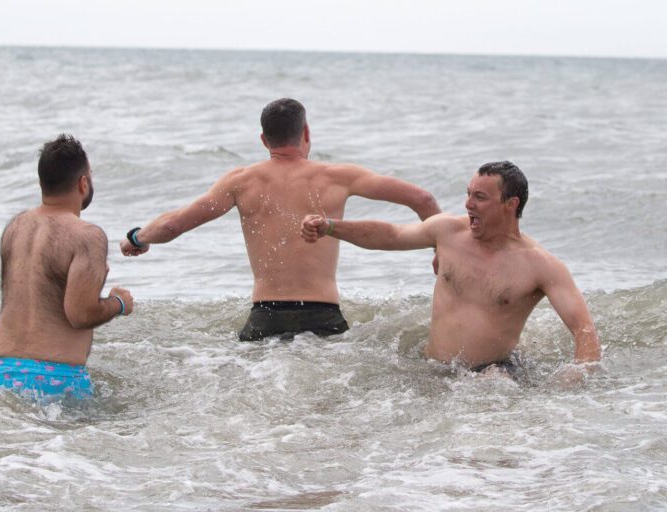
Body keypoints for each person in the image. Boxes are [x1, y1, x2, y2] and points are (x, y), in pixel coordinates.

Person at [120, 98, 440, 341]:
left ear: (263, 140)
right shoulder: (339, 177)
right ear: (306, 133)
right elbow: (422, 199)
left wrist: (136, 238)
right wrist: (445, 251)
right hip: (323, 316)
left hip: (265, 318)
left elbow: (173, 225)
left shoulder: (240, 181)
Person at [301, 161, 601, 380]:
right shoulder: (448, 232)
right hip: (432, 369)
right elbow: (391, 235)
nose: (468, 204)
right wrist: (329, 227)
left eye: (480, 197)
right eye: (468, 193)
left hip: (491, 377)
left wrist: (576, 375)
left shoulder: (541, 265)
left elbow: (584, 331)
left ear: (511, 204)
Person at [0, 134, 134, 401]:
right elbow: (80, 314)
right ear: (83, 183)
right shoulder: (87, 236)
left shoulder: (15, 227)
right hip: (57, 379)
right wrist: (118, 303)